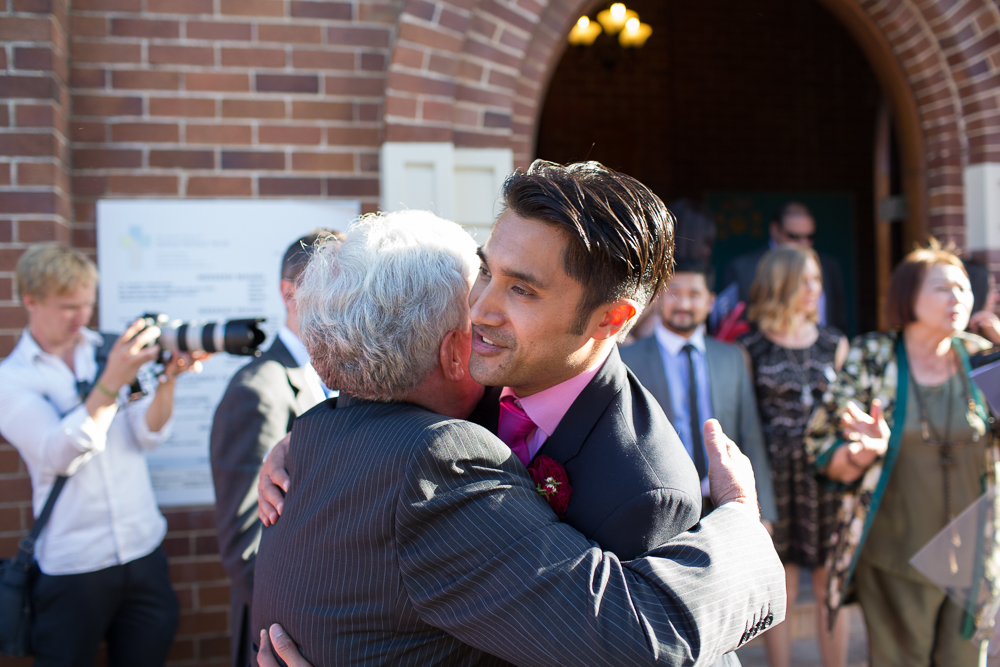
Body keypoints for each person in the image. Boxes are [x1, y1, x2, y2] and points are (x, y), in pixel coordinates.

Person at [251, 210, 786, 667]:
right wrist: (741, 525)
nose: (487, 313)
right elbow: (637, 637)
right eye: (479, 292)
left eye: (513, 286)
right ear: (453, 353)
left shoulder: (317, 433)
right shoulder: (435, 462)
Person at [0, 244, 203, 667]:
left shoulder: (104, 349)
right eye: (68, 307)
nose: (82, 318)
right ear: (31, 301)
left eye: (88, 304)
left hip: (143, 549)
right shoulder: (11, 380)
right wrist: (112, 380)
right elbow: (59, 453)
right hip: (74, 565)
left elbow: (147, 435)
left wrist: (167, 382)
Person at [806, 243, 994, 666]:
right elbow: (820, 445)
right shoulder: (873, 356)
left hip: (974, 554)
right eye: (944, 288)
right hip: (895, 554)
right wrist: (860, 454)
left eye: (964, 289)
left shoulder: (981, 356)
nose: (958, 298)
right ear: (908, 295)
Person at [209, 231, 334, 667]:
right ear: (289, 293)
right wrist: (289, 635)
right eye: (331, 286)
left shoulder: (338, 373)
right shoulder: (257, 390)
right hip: (281, 638)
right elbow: (245, 542)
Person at [737, 246, 850, 667]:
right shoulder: (750, 347)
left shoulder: (834, 343)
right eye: (805, 280)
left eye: (817, 280)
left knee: (828, 584)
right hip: (774, 475)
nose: (814, 290)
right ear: (780, 283)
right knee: (779, 584)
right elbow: (745, 422)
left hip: (825, 477)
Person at [621, 257, 777, 523]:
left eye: (694, 295)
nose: (683, 304)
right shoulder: (627, 360)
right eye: (674, 294)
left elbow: (750, 436)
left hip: (726, 504)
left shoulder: (731, 358)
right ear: (658, 298)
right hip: (656, 508)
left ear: (710, 301)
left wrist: (765, 515)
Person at [721, 202, 848, 334]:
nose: (803, 243)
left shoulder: (828, 265)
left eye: (809, 237)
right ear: (775, 230)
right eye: (794, 236)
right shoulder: (742, 269)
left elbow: (838, 321)